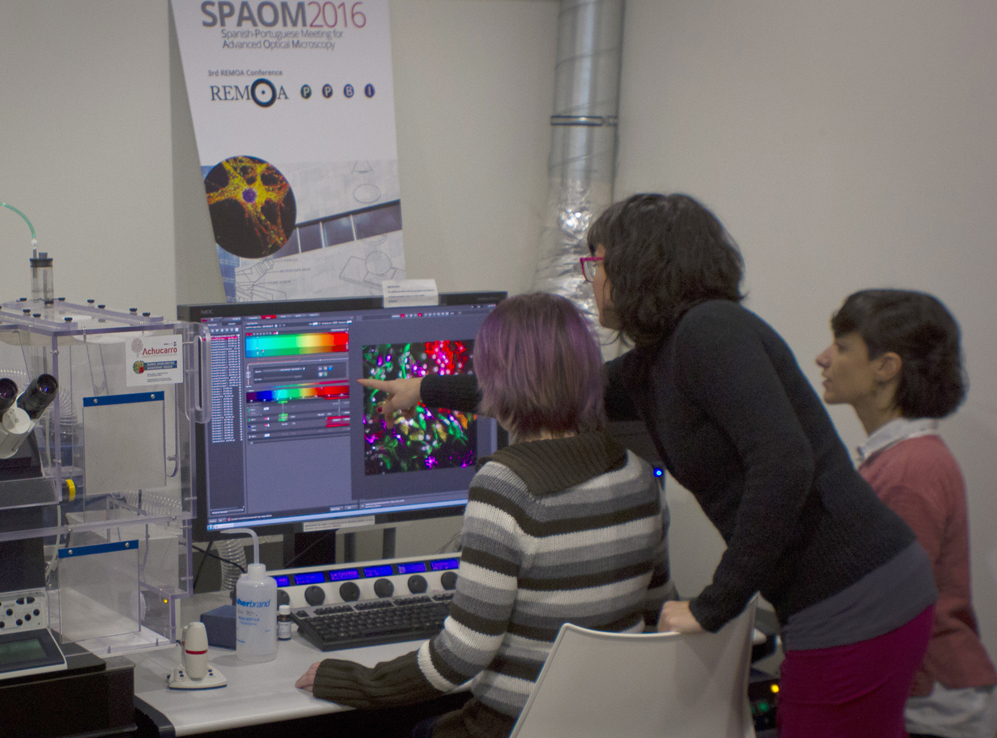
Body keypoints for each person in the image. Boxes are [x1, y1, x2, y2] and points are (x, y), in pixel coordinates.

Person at [360, 194, 936, 737]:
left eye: (598, 264)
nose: (593, 280)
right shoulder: (662, 360)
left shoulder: (710, 331)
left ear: (638, 269)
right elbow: (546, 390)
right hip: (842, 597)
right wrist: (425, 389)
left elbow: (785, 462)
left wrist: (715, 604)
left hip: (854, 599)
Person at [295, 292, 672, 738]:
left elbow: (463, 654)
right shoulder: (638, 476)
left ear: (495, 383)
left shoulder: (506, 487)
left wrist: (354, 681)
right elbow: (658, 611)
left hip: (510, 726)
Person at [817, 289, 997, 738]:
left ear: (886, 367)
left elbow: (894, 608)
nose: (823, 358)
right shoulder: (898, 460)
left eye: (842, 347)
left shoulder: (909, 470)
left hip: (929, 706)